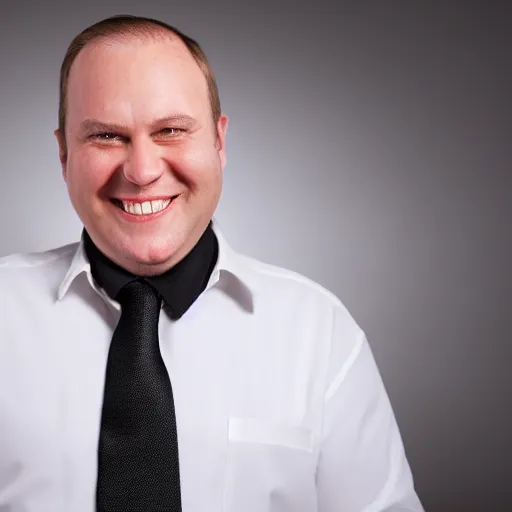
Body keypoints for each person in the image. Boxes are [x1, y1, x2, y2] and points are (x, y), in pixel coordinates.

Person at [0, 14, 424, 512]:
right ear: (64, 155)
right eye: (107, 136)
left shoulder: (321, 334)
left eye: (172, 130)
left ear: (219, 143)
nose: (141, 171)